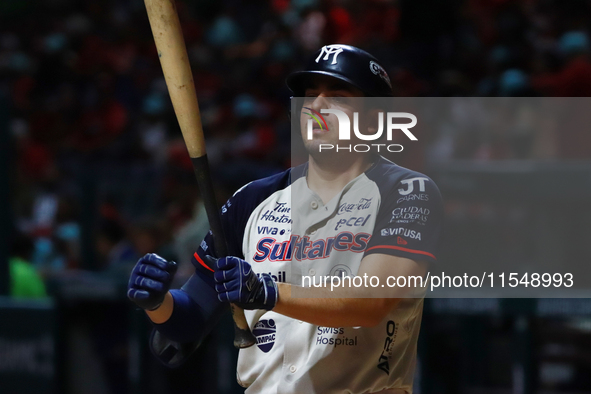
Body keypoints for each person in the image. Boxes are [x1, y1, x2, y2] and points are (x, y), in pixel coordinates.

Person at [127, 44, 443, 393]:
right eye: (310, 96)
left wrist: (267, 291)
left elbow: (369, 302)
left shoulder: (407, 191)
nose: (317, 107)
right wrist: (158, 303)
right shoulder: (253, 198)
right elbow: (187, 324)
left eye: (338, 96)